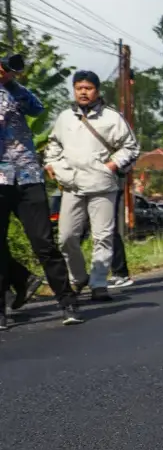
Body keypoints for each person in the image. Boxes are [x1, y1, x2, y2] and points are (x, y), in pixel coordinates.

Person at [0, 57, 82, 328]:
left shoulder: (14, 90)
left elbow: (37, 109)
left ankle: (67, 302)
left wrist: (11, 82)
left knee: (44, 243)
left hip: (27, 176)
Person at [45, 70, 139, 303]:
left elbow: (131, 147)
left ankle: (98, 283)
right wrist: (52, 165)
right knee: (66, 237)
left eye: (88, 88)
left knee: (103, 236)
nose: (83, 92)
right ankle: (78, 278)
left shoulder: (112, 118)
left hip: (102, 185)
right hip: (71, 185)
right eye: (79, 88)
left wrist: (111, 166)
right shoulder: (65, 117)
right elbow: (53, 144)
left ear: (97, 91)